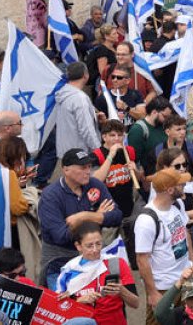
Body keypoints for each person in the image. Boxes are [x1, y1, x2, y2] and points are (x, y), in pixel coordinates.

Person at [39, 148, 123, 287]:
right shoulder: (50, 195)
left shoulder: (95, 184)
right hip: (60, 263)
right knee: (64, 300)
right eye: (83, 167)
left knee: (106, 296)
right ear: (66, 170)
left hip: (93, 259)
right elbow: (61, 236)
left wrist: (84, 216)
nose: (88, 171)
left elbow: (117, 216)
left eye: (89, 167)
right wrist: (99, 216)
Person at [136, 167, 193, 321]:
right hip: (163, 288)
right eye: (181, 184)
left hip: (185, 280)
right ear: (170, 190)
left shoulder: (178, 204)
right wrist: (153, 293)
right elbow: (142, 259)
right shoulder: (146, 220)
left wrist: (192, 264)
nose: (184, 186)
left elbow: (185, 233)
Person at [53, 222, 139, 325]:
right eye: (89, 246)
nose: (95, 250)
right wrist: (79, 301)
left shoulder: (115, 263)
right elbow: (57, 309)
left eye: (98, 244)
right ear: (78, 246)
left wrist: (121, 290)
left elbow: (135, 303)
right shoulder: (69, 270)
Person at [92, 119, 138, 218]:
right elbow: (95, 180)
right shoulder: (96, 155)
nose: (117, 139)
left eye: (120, 135)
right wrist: (111, 155)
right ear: (104, 137)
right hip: (107, 207)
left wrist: (136, 171)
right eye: (112, 135)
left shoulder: (130, 151)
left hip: (128, 205)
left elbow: (140, 179)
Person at [54, 62, 102, 155]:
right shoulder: (79, 98)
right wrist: (98, 150)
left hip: (65, 152)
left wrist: (95, 117)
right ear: (85, 75)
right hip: (80, 155)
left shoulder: (62, 93)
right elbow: (86, 129)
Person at [130, 97, 172, 177]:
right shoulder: (138, 130)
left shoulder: (164, 126)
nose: (166, 120)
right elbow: (134, 159)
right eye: (164, 116)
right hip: (148, 176)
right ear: (154, 112)